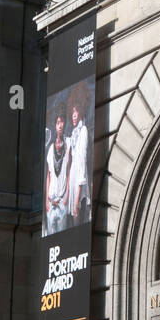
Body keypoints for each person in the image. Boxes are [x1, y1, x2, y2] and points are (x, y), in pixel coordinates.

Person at [43, 107, 71, 235]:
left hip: (61, 202)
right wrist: (46, 202)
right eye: (58, 122)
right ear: (55, 125)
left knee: (61, 240)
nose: (60, 125)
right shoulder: (50, 149)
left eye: (62, 122)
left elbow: (69, 172)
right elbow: (48, 176)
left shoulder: (68, 144)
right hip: (50, 202)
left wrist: (66, 198)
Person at [67, 86, 91, 224]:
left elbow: (81, 163)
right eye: (72, 111)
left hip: (79, 188)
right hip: (73, 185)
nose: (73, 115)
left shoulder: (83, 131)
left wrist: (76, 198)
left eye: (76, 111)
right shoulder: (74, 133)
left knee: (78, 220)